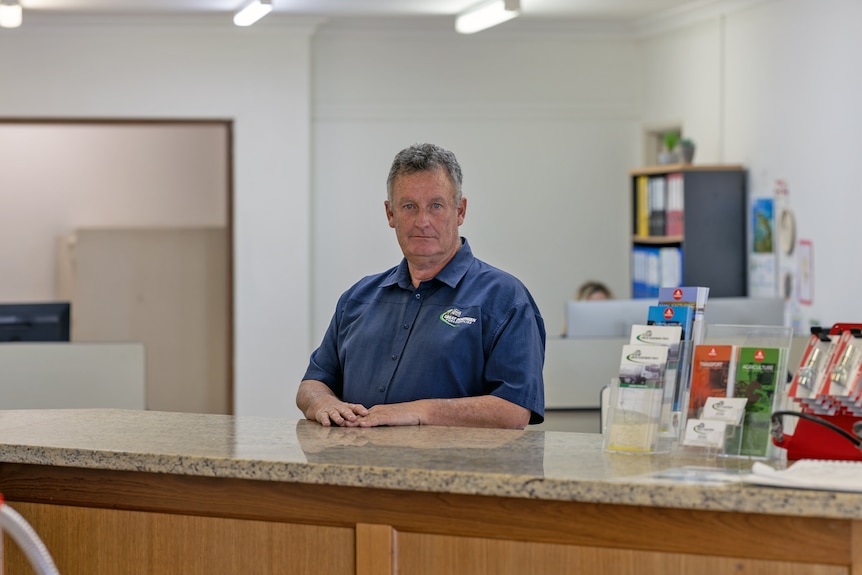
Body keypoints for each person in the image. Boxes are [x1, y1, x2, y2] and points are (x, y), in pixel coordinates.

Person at [296, 143, 546, 429]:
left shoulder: (505, 299)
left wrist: (418, 412)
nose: (422, 221)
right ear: (390, 214)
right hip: (356, 469)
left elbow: (513, 410)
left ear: (460, 211)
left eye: (436, 206)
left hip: (455, 473)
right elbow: (313, 382)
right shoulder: (357, 299)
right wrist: (321, 402)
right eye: (409, 206)